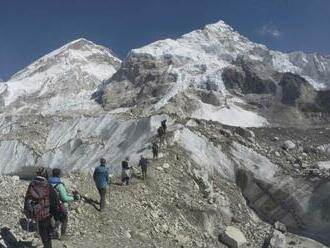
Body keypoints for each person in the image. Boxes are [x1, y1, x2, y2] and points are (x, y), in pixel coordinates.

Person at [24, 167, 59, 248]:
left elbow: (27, 198)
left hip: (36, 213)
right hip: (46, 214)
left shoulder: (32, 184)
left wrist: (28, 211)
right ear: (45, 174)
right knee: (48, 235)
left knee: (43, 234)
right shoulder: (47, 185)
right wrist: (55, 215)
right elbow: (54, 201)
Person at [48, 168, 77, 239]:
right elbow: (64, 198)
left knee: (56, 218)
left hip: (49, 205)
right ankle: (63, 236)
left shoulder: (48, 183)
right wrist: (74, 198)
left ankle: (53, 233)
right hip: (59, 205)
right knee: (64, 219)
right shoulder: (59, 185)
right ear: (59, 175)